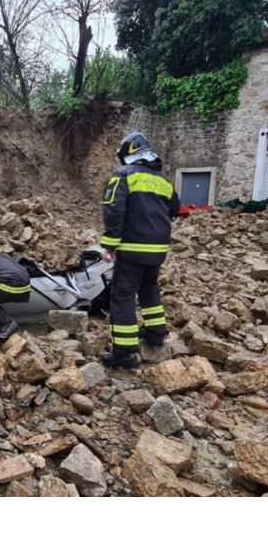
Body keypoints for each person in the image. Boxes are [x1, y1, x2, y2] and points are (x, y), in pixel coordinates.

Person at [100, 131, 180, 369]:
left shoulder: (124, 175)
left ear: (128, 153)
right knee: (149, 287)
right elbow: (175, 207)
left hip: (132, 247)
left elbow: (113, 208)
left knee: (122, 296)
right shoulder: (162, 180)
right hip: (158, 248)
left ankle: (124, 353)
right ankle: (156, 333)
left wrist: (110, 244)